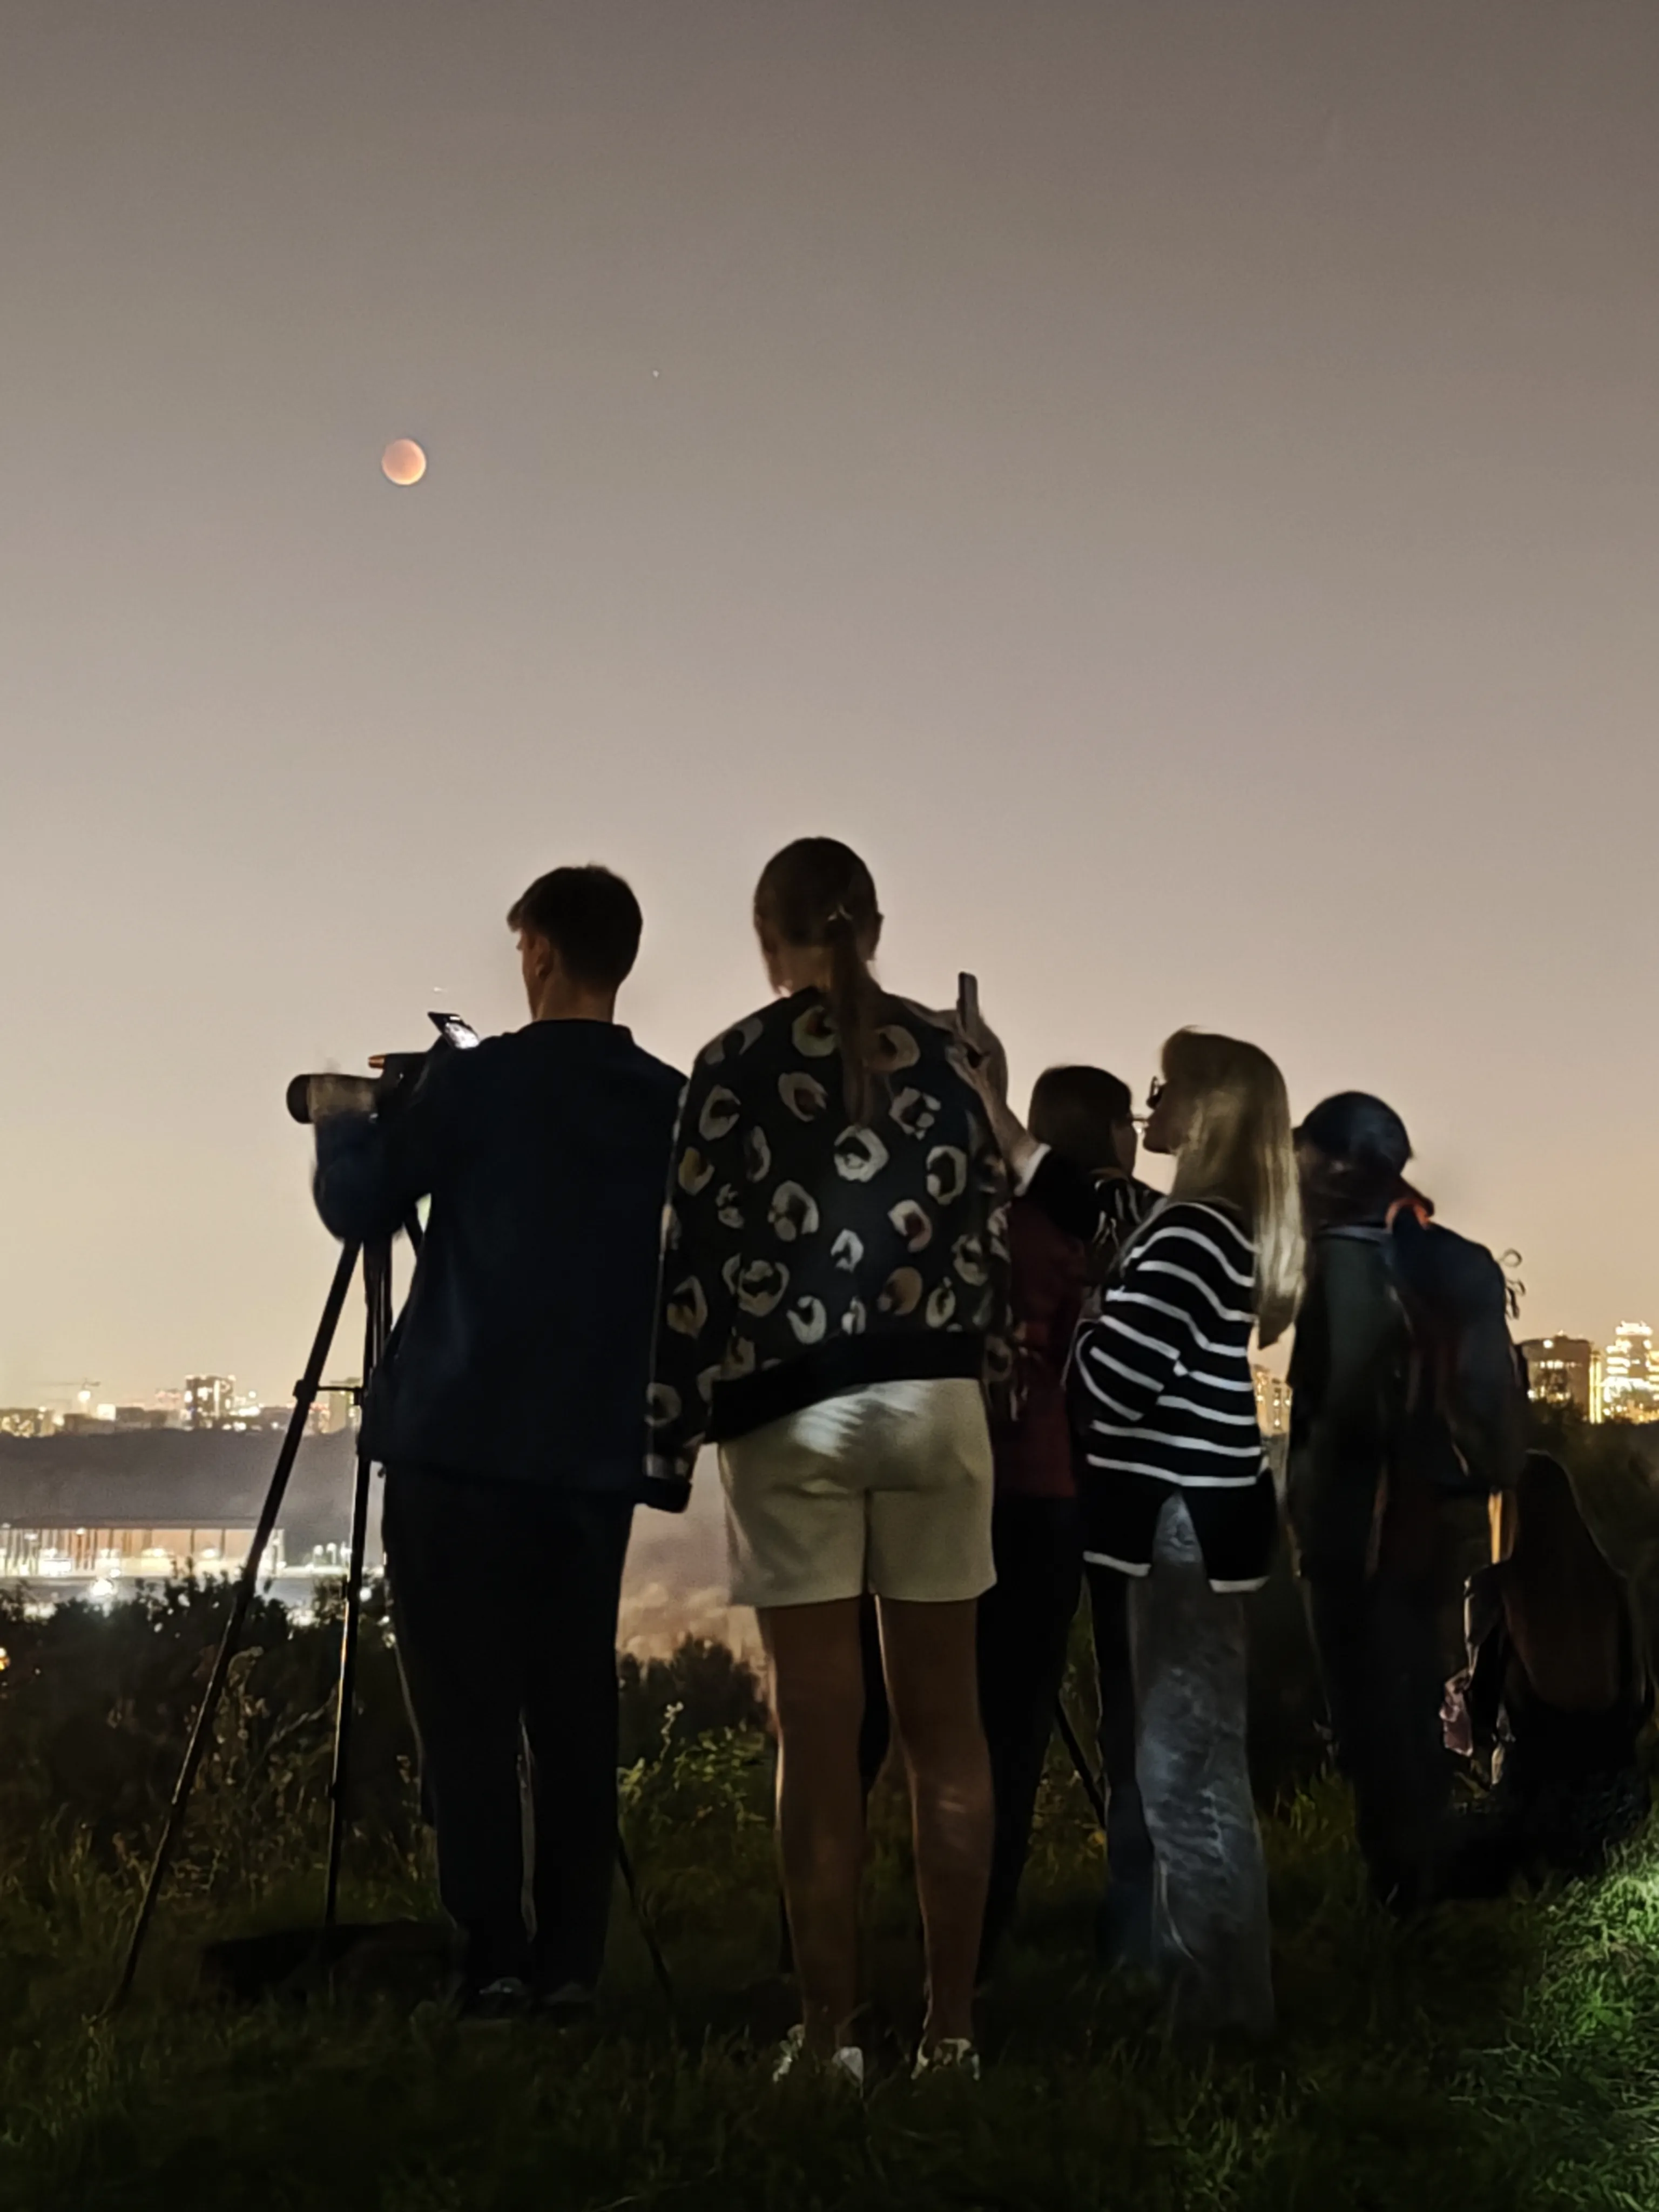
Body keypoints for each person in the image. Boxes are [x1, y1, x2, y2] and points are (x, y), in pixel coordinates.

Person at [645, 837, 1006, 2081]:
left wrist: (666, 1436)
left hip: (789, 1409)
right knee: (947, 1733)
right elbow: (991, 1245)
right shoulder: (950, 1067)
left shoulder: (731, 1065)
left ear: (768, 939)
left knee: (816, 1730)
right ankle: (951, 2035)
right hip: (937, 1399)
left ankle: (828, 2038)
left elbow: (690, 1262)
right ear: (876, 928)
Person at [312, 865, 683, 2018]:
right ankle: (572, 1961)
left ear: (539, 953)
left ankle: (493, 1961)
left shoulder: (478, 1085)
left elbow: (362, 1206)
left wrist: (344, 1120)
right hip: (592, 1455)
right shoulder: (670, 1102)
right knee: (574, 1707)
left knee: (466, 1713)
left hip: (457, 1439)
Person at [1067, 1030, 1301, 2040]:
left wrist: (1081, 1317)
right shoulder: (1213, 1229)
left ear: (1206, 1113)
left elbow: (1110, 1388)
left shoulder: (1194, 1232)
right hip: (1198, 1524)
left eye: (1165, 1087)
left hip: (1180, 1530)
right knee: (1192, 1767)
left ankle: (1221, 2013)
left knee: (1183, 1778)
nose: (1149, 1102)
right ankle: (1205, 1992)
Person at [1286, 1092, 1493, 1907]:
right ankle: (1427, 1877)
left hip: (1358, 1526)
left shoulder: (1347, 1256)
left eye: (1305, 1157)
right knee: (1413, 1698)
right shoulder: (1434, 1249)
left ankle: (1401, 1901)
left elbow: (1340, 1402)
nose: (1295, 1174)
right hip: (1432, 1516)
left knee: (1369, 1716)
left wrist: (1307, 1498)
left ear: (1340, 1168)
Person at [973, 1064, 1158, 1977]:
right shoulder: (1143, 1219)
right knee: (1128, 1708)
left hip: (1001, 1485)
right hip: (1118, 1487)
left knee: (985, 1721)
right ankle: (1134, 1922)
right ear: (1110, 1131)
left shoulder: (996, 1216)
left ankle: (970, 1923)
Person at [1442, 1452, 1651, 1893]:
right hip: (1621, 1804)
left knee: (1438, 1841)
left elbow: (1480, 1716)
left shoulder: (1494, 1589)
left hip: (1537, 1813)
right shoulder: (1614, 1587)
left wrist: (1453, 1706)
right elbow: (1640, 1701)